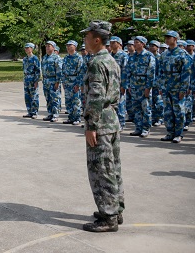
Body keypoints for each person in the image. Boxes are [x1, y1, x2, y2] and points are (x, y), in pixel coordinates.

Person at [80, 20, 124, 233]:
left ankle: (108, 217)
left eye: (87, 37)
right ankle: (116, 209)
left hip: (101, 123)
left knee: (101, 170)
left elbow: (96, 96)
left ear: (97, 39)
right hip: (111, 120)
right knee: (113, 168)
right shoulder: (111, 60)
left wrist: (91, 125)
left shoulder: (97, 62)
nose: (84, 40)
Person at [158, 31, 190, 143]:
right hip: (166, 87)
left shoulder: (182, 54)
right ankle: (170, 132)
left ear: (175, 39)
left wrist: (183, 89)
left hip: (177, 87)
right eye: (166, 37)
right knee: (167, 111)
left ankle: (178, 134)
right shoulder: (164, 54)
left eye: (169, 37)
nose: (167, 39)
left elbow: (186, 73)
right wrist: (161, 86)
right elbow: (160, 72)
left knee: (179, 112)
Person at [124, 36, 155, 138]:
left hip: (144, 86)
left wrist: (148, 88)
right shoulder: (132, 57)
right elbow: (128, 71)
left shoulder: (148, 56)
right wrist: (128, 84)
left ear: (143, 44)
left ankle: (146, 129)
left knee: (145, 109)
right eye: (134, 42)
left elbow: (151, 74)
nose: (134, 44)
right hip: (134, 86)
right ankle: (138, 128)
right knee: (136, 108)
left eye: (137, 42)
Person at [62, 40, 83, 125]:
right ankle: (70, 117)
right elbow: (63, 70)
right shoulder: (66, 58)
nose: (68, 47)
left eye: (70, 45)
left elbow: (80, 72)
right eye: (67, 46)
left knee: (76, 100)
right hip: (67, 82)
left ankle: (77, 118)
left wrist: (78, 84)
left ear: (75, 47)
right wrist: (63, 81)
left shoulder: (78, 58)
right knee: (68, 100)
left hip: (74, 81)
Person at [109, 36, 128, 131]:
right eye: (110, 43)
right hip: (110, 84)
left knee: (120, 104)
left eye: (113, 42)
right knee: (111, 104)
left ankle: (121, 123)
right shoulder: (109, 55)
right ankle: (113, 122)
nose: (111, 44)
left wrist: (124, 85)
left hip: (119, 84)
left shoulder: (123, 55)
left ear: (119, 44)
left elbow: (125, 71)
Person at [41, 41, 62, 122]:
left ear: (53, 47)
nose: (47, 47)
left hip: (53, 80)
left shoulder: (57, 58)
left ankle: (55, 115)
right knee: (48, 98)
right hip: (46, 81)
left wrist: (57, 82)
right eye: (46, 46)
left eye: (49, 46)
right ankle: (50, 113)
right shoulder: (44, 57)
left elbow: (59, 71)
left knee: (55, 98)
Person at [22, 43, 40, 119]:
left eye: (28, 48)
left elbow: (38, 70)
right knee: (27, 96)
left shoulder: (35, 58)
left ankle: (35, 112)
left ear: (32, 49)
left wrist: (36, 81)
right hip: (26, 79)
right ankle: (29, 111)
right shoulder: (25, 59)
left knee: (34, 96)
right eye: (25, 48)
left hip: (33, 79)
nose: (26, 49)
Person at [148, 41, 164, 127]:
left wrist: (159, 84)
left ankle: (160, 118)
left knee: (159, 102)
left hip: (158, 83)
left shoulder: (160, 57)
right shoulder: (148, 57)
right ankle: (154, 118)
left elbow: (161, 72)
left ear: (157, 48)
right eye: (150, 46)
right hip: (150, 82)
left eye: (153, 46)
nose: (151, 47)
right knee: (151, 102)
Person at [185, 40, 195, 131]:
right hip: (187, 83)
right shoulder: (184, 57)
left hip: (190, 83)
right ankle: (186, 122)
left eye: (189, 45)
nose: (187, 47)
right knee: (187, 103)